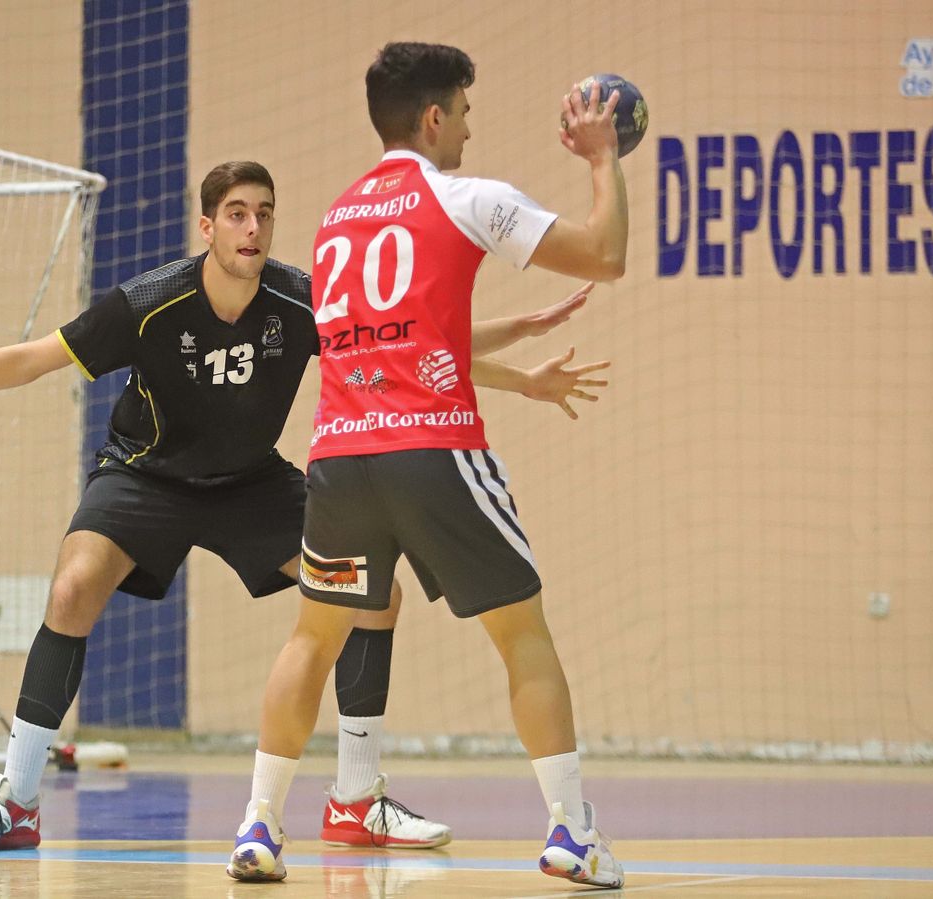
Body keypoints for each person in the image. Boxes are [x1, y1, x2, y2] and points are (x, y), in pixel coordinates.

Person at [0, 162, 607, 852]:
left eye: (264, 212)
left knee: (375, 595)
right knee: (71, 588)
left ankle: (356, 799)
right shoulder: (150, 302)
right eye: (237, 213)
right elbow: (30, 359)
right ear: (208, 225)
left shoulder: (303, 299)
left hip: (251, 483)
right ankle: (14, 801)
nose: (253, 226)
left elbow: (411, 345)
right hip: (144, 475)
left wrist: (521, 370)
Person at [225, 43, 630, 888]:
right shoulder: (467, 197)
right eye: (467, 114)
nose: (472, 132)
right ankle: (571, 832)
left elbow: (397, 337)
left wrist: (518, 351)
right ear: (435, 117)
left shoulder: (336, 220)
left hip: (339, 458)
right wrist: (603, 158)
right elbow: (604, 253)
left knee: (312, 636)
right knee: (524, 636)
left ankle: (259, 823)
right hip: (434, 447)